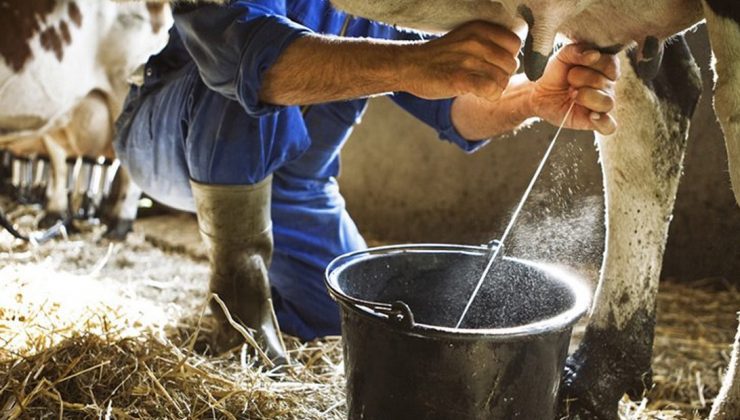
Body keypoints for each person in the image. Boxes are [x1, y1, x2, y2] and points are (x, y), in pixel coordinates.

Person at [114, 0, 619, 363]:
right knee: (246, 75)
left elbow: (453, 105)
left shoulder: (385, 3)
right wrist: (414, 64)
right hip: (167, 133)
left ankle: (277, 296)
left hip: (296, 188)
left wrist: (532, 97)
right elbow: (242, 55)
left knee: (348, 319)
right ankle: (236, 309)